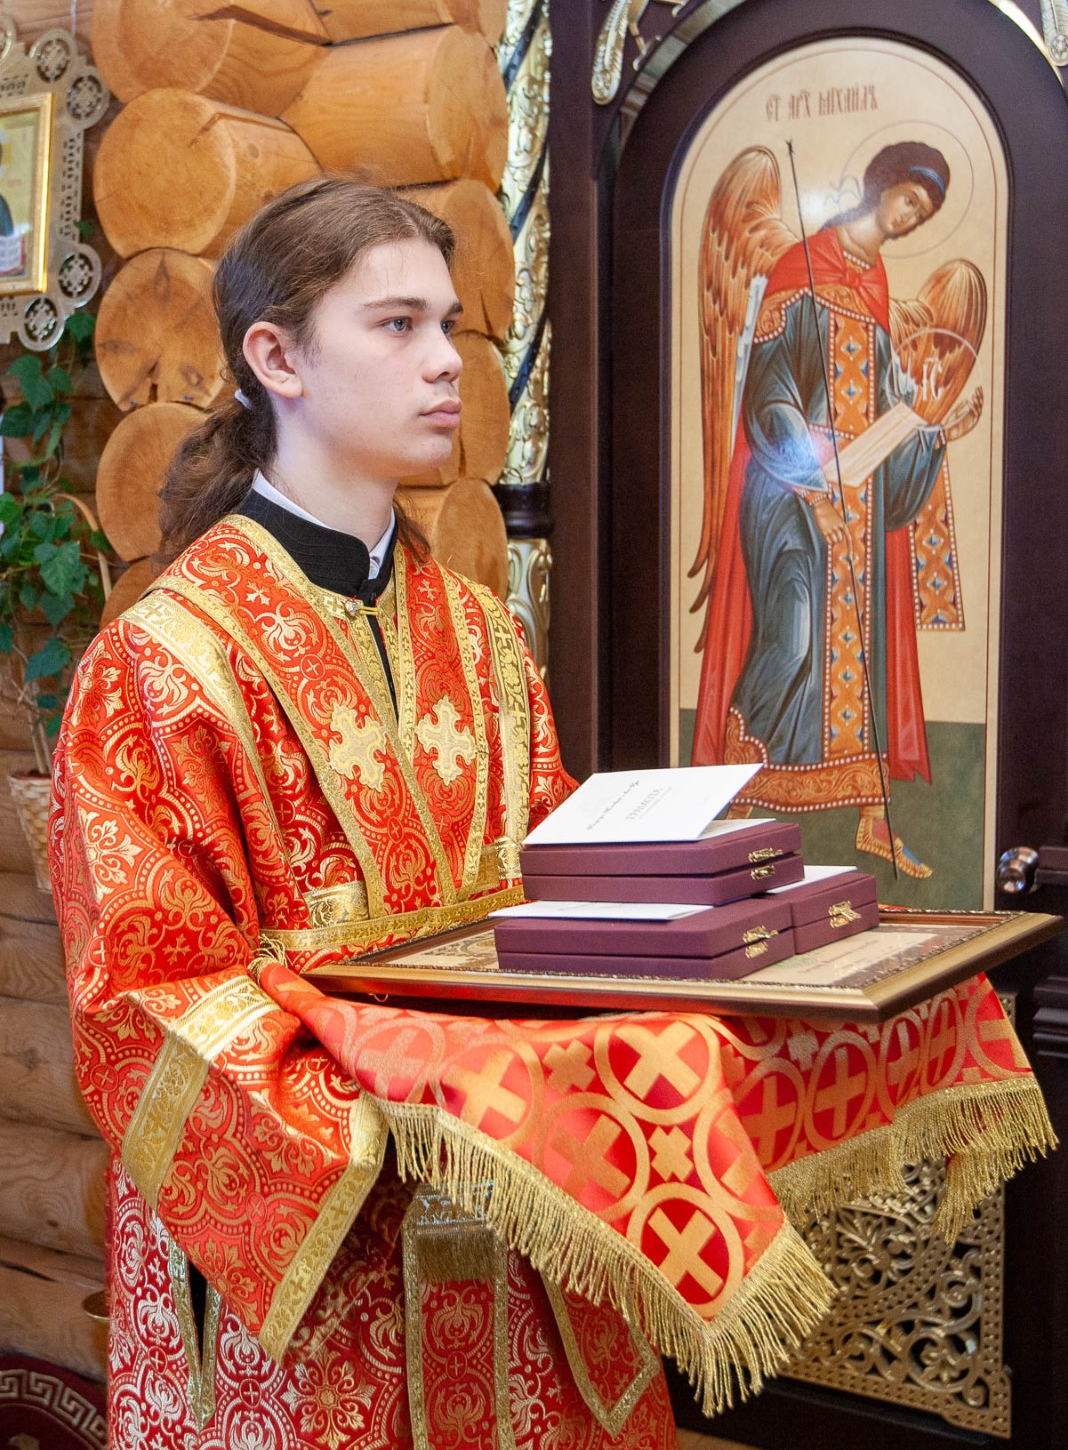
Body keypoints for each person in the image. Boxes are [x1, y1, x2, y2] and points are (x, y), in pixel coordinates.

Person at [49, 180, 677, 1449]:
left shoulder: (484, 636)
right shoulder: (162, 664)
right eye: (397, 325)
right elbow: (146, 996)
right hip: (316, 1275)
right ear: (276, 359)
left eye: (450, 324)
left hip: (516, 1225)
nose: (448, 361)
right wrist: (396, 1108)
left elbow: (549, 878)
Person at [692, 143, 982, 875]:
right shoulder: (801, 269)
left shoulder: (875, 288)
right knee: (790, 642)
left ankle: (871, 821)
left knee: (862, 653)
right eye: (909, 199)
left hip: (860, 499)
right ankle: (731, 801)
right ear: (884, 186)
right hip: (788, 491)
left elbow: (886, 410)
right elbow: (770, 395)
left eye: (924, 213)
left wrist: (934, 431)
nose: (911, 217)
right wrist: (816, 492)